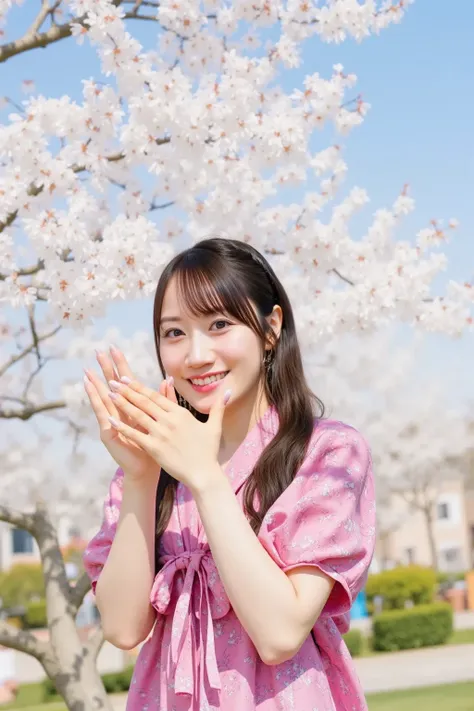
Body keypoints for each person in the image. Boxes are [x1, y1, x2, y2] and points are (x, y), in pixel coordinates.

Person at [83, 237, 375, 711]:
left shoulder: (328, 452)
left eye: (219, 324)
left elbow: (280, 633)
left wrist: (204, 478)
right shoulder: (152, 463)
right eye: (174, 333)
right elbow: (121, 626)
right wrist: (139, 478)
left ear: (271, 327)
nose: (196, 355)